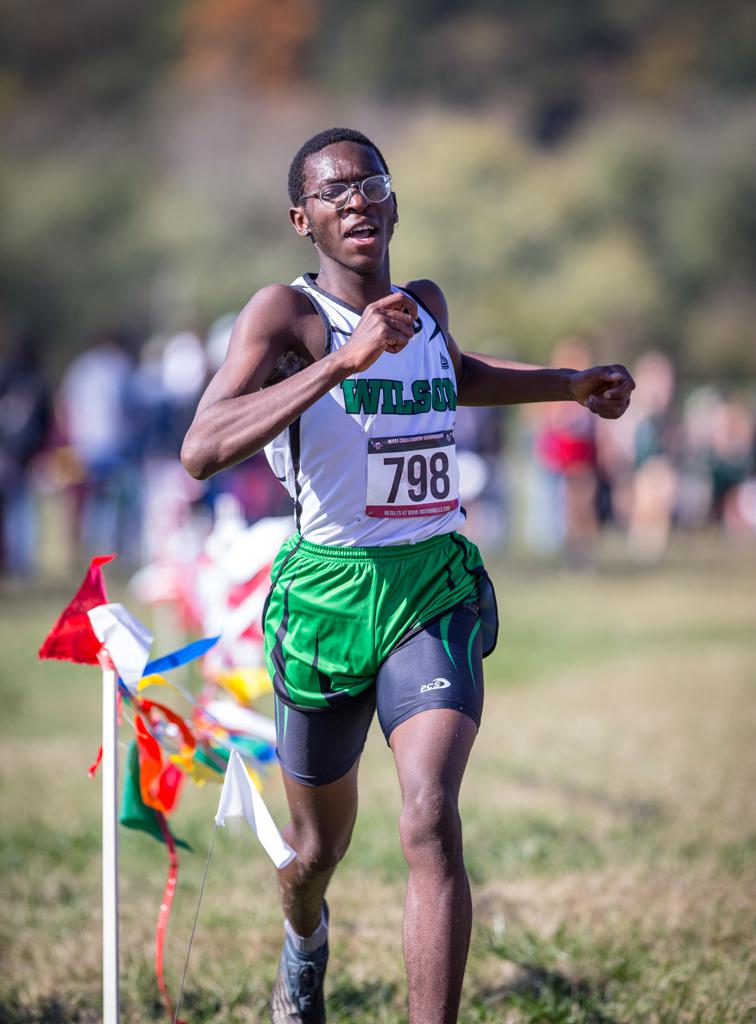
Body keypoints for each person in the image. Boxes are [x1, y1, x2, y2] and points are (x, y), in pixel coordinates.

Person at [181, 127, 635, 1024]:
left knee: (429, 815)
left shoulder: (422, 304)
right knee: (316, 854)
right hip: (326, 596)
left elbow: (455, 373)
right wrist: (339, 365)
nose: (356, 200)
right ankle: (305, 941)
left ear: (395, 203)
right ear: (301, 217)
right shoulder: (289, 317)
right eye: (334, 191)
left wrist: (569, 383)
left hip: (433, 584)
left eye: (372, 184)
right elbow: (201, 446)